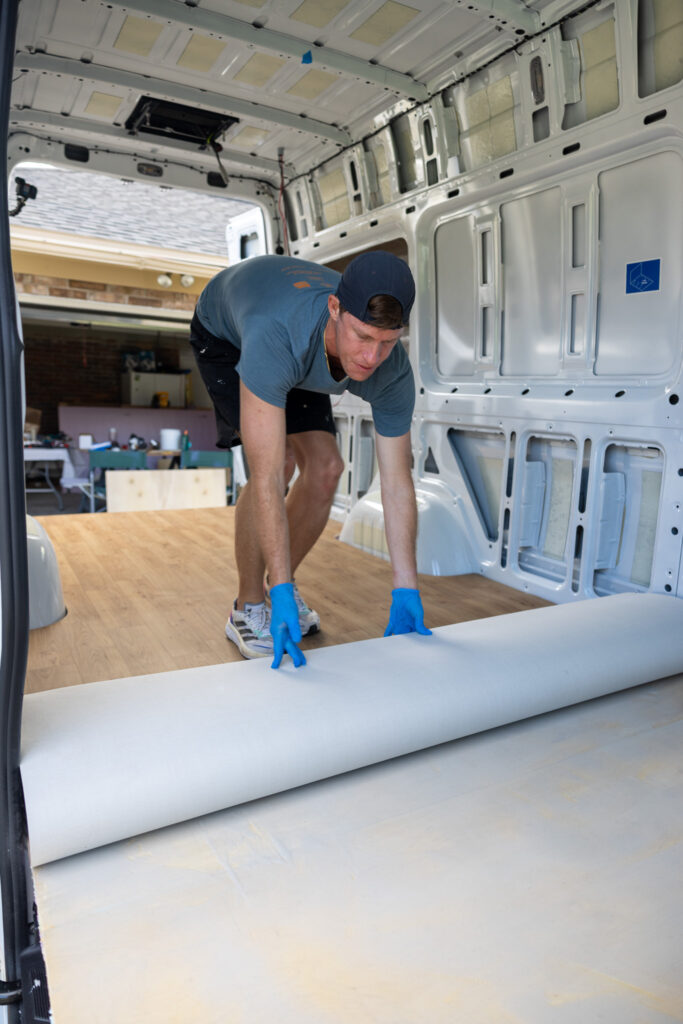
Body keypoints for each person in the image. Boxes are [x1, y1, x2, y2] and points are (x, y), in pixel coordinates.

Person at [190, 250, 432, 669]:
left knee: (325, 470)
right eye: (363, 337)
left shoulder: (390, 371)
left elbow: (396, 481)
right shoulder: (276, 336)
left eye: (387, 342)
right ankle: (249, 605)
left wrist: (406, 587)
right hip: (228, 334)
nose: (371, 358)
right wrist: (278, 590)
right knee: (279, 463)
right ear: (335, 308)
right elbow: (265, 478)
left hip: (305, 343)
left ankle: (281, 584)